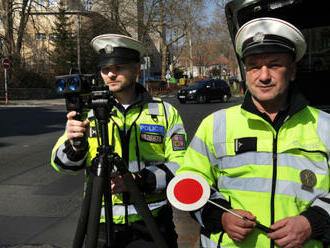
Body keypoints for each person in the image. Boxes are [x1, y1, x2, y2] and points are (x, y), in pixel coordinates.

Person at [176, 17, 330, 248]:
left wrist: (315, 222)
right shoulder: (215, 125)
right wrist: (221, 216)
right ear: (245, 71)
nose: (264, 76)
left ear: (293, 71)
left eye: (275, 65)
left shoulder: (325, 126)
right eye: (255, 66)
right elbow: (188, 185)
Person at [51, 34, 187, 247]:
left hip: (151, 222)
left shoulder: (165, 112)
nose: (111, 74)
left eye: (119, 67)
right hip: (102, 224)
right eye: (105, 70)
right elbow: (62, 165)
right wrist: (75, 146)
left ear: (136, 69)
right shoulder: (87, 113)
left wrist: (140, 181)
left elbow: (182, 166)